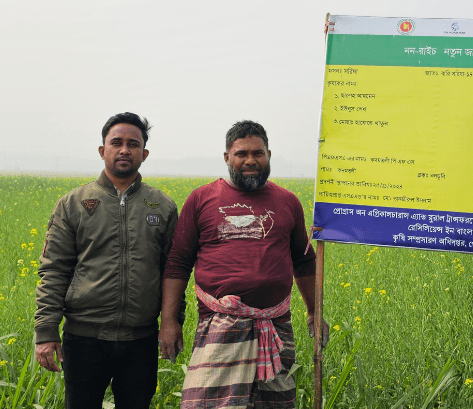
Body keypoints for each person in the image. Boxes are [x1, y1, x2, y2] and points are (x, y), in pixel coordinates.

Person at [159, 120, 328, 409]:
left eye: (258, 153)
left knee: (273, 404)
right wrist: (169, 321)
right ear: (227, 157)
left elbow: (303, 261)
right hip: (219, 326)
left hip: (275, 326)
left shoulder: (288, 202)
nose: (250, 160)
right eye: (241, 154)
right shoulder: (201, 199)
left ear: (268, 155)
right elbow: (178, 263)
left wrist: (314, 311)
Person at [35, 112, 178, 409]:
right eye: (116, 143)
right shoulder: (73, 203)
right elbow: (54, 270)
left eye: (133, 144)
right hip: (83, 338)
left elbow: (172, 272)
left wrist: (172, 322)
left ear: (144, 154)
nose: (124, 150)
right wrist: (46, 332)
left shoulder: (162, 206)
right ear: (103, 150)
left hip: (141, 340)